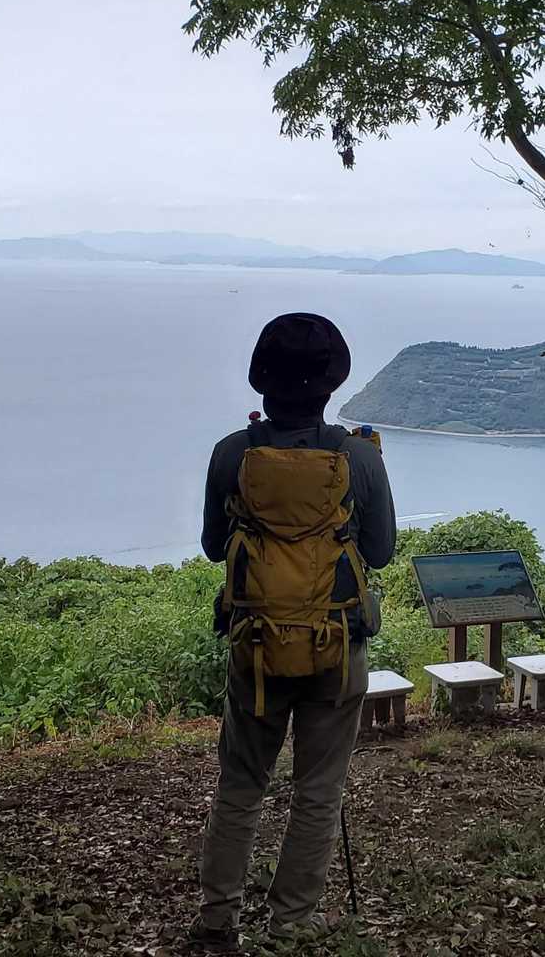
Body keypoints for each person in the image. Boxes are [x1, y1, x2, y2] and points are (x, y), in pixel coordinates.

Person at [190, 312, 396, 953]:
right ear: (332, 383)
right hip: (336, 644)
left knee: (241, 783)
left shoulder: (233, 453)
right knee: (318, 789)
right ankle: (290, 924)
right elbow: (381, 551)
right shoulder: (357, 457)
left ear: (262, 379)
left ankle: (218, 919)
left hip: (255, 645)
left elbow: (212, 546)